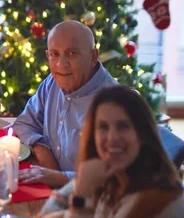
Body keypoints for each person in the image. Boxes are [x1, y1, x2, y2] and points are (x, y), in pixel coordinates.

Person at [48, 85, 183, 218]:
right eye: (103, 127)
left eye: (123, 126)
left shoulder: (150, 201)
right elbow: (48, 213)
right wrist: (82, 209)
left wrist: (82, 196)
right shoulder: (118, 176)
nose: (112, 138)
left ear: (142, 134)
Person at [13, 21, 117, 187]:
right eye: (55, 54)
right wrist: (42, 148)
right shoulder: (52, 82)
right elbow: (25, 123)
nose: (61, 64)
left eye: (72, 53)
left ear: (93, 57)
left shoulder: (115, 105)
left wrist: (60, 178)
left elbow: (114, 176)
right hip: (50, 187)